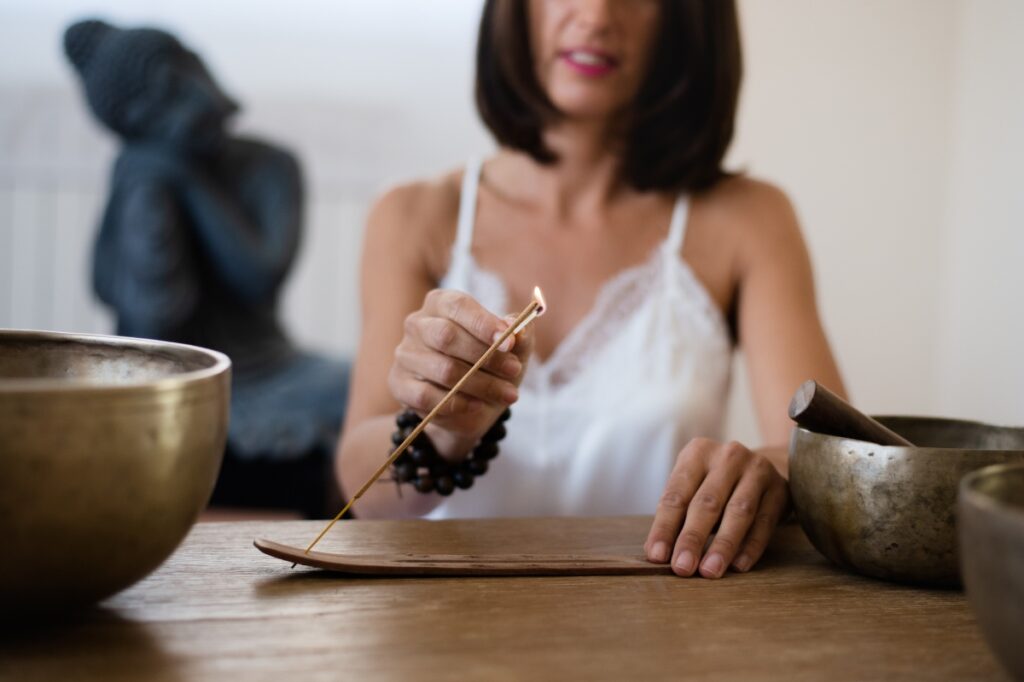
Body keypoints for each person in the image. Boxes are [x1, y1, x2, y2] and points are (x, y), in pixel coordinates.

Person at [337, 0, 845, 578]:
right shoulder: (413, 217)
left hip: (659, 629)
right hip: (446, 628)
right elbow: (363, 488)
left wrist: (769, 471)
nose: (598, 14)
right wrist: (446, 431)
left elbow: (832, 456)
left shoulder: (750, 221)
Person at [64, 20, 350, 517]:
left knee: (367, 383)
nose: (175, 118)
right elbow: (136, 310)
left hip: (268, 370)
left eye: (176, 89)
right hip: (166, 377)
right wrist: (150, 196)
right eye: (147, 117)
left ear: (196, 67)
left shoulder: (271, 166)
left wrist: (189, 183)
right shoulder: (140, 177)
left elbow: (259, 275)